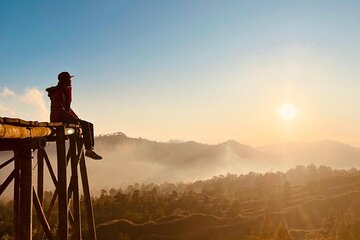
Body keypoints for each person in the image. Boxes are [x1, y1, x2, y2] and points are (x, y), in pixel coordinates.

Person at [46, 72, 102, 160]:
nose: (71, 81)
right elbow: (60, 109)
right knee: (86, 125)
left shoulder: (62, 90)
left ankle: (89, 149)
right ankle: (88, 150)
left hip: (63, 116)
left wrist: (75, 116)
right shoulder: (58, 92)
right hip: (59, 118)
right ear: (65, 80)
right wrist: (73, 118)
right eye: (69, 79)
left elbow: (67, 108)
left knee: (89, 124)